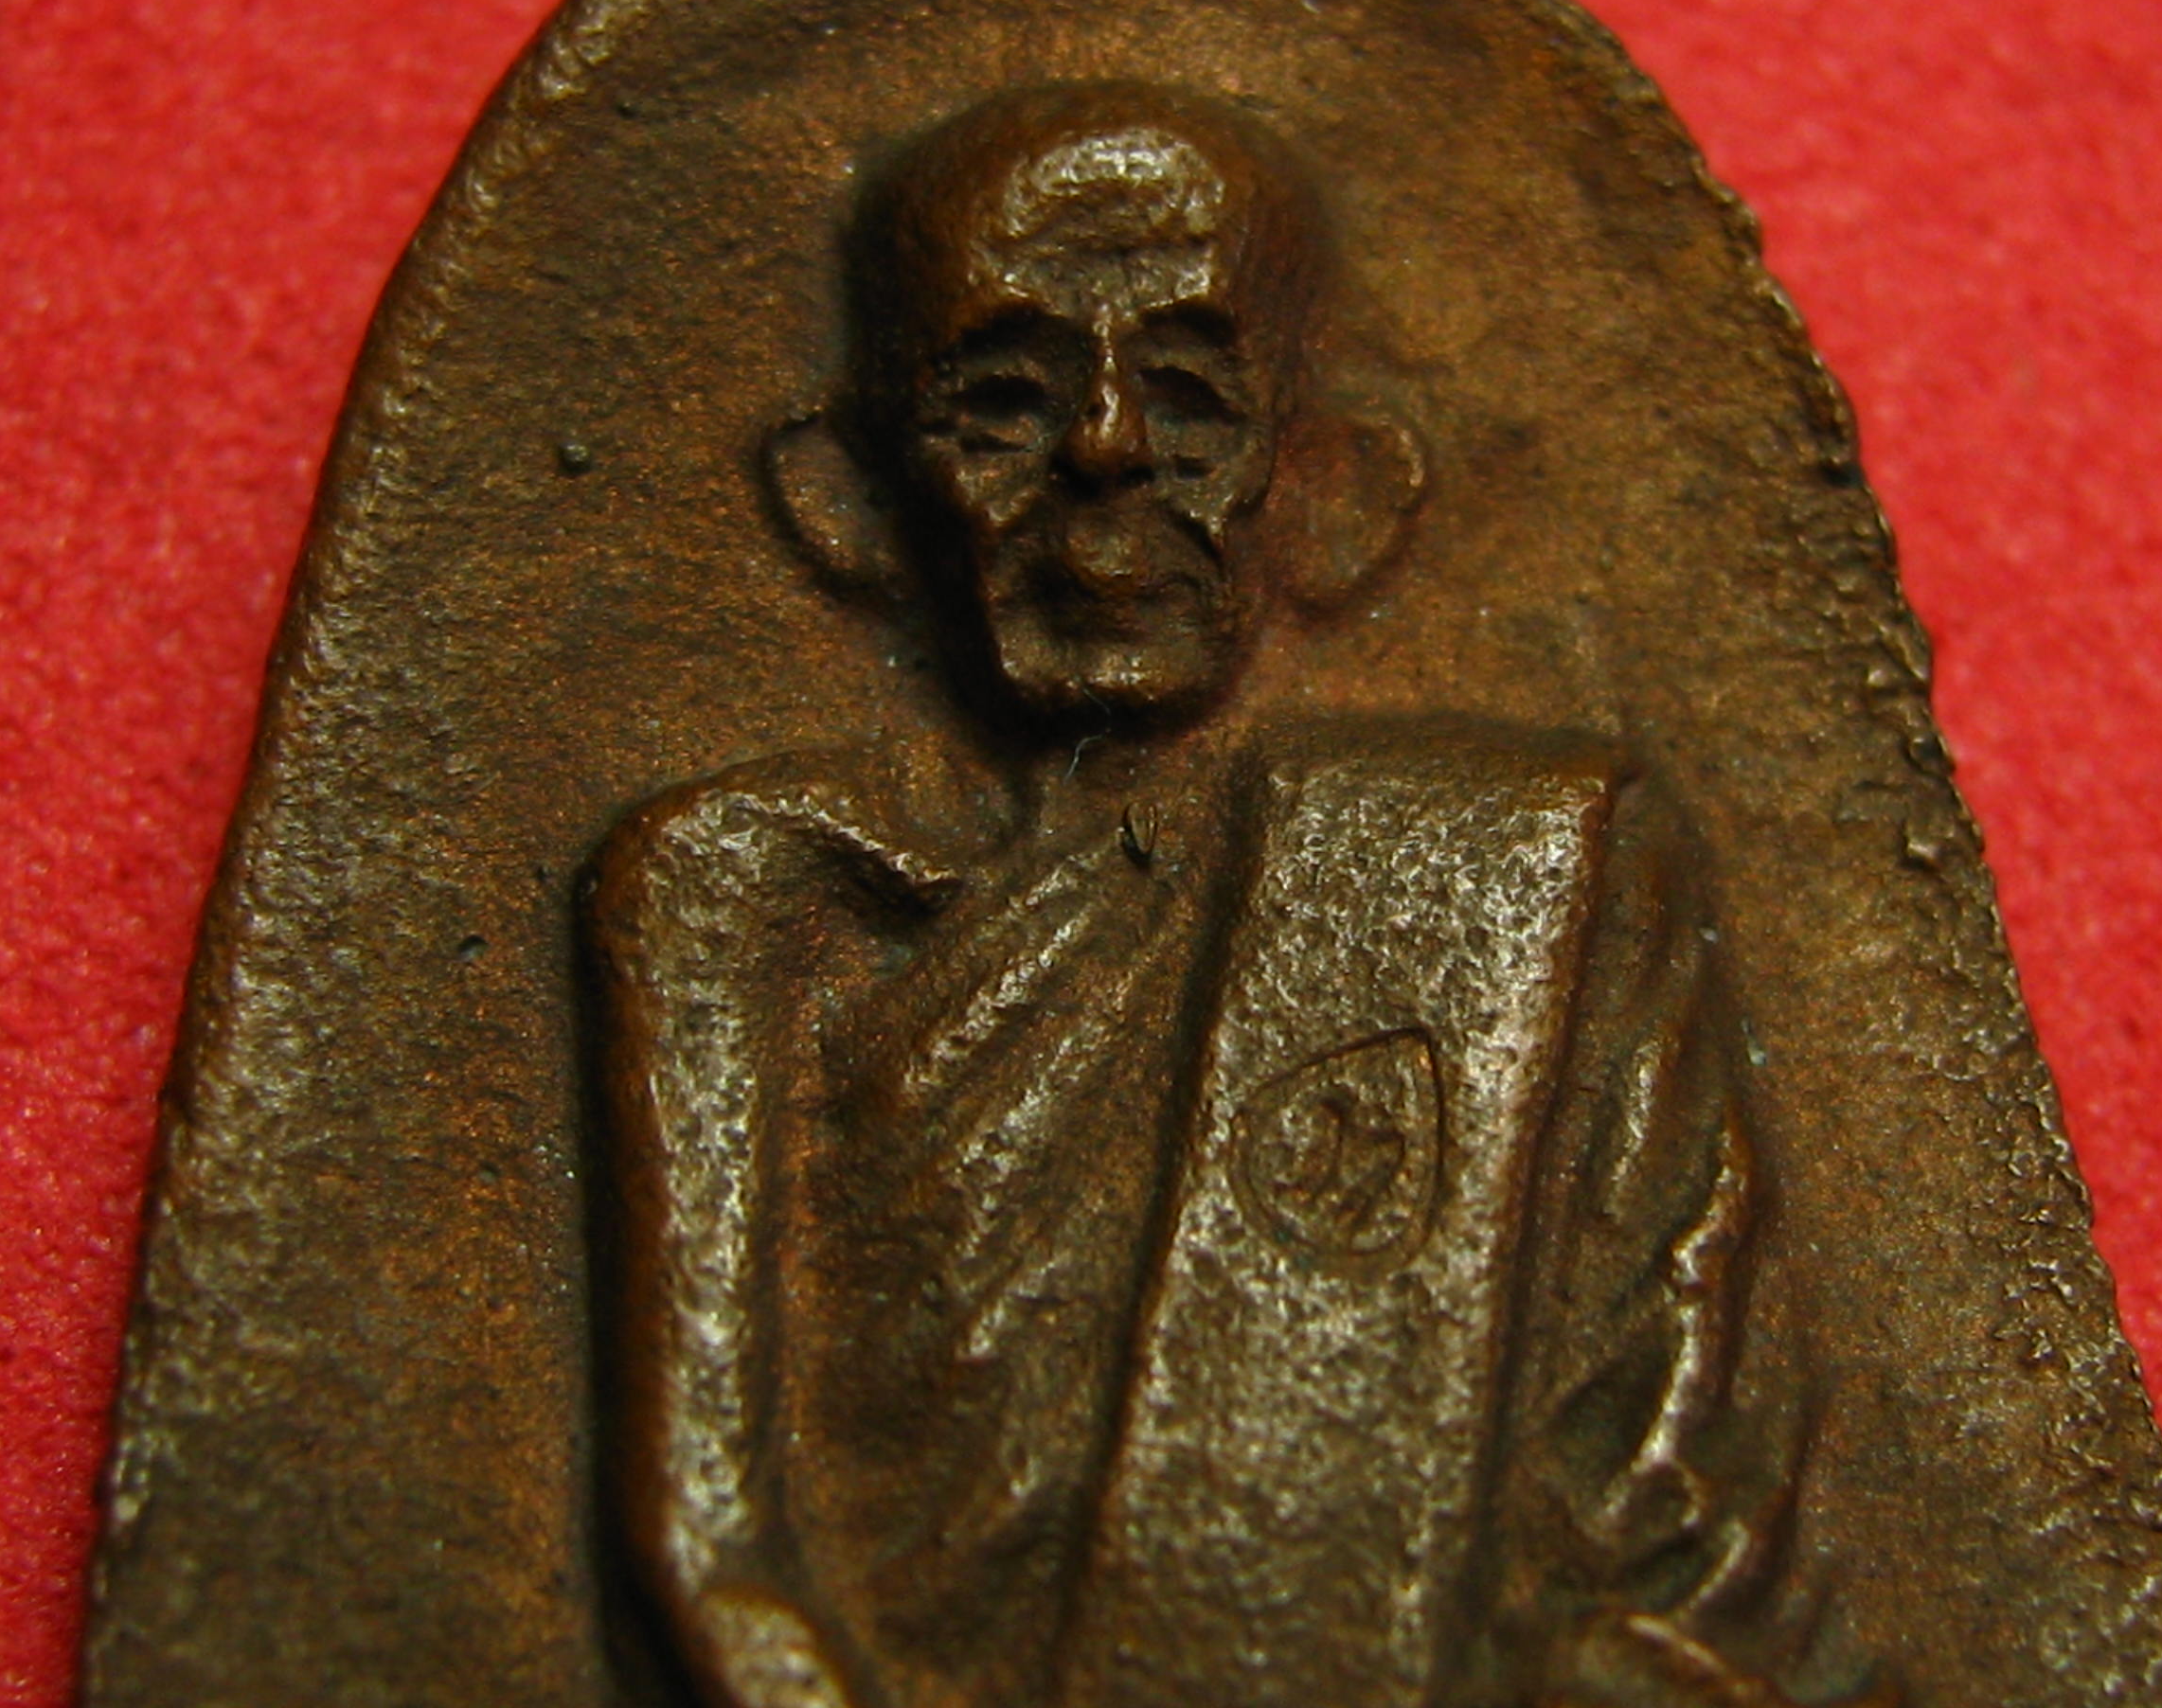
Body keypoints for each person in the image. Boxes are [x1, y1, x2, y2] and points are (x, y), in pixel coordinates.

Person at [588, 83, 1862, 1708]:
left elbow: (1661, 1529)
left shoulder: (1519, 878)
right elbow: (713, 1560)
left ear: (1336, 482)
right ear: (843, 491)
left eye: (1190, 402)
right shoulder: (736, 889)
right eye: (1003, 405)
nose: (1106, 452)